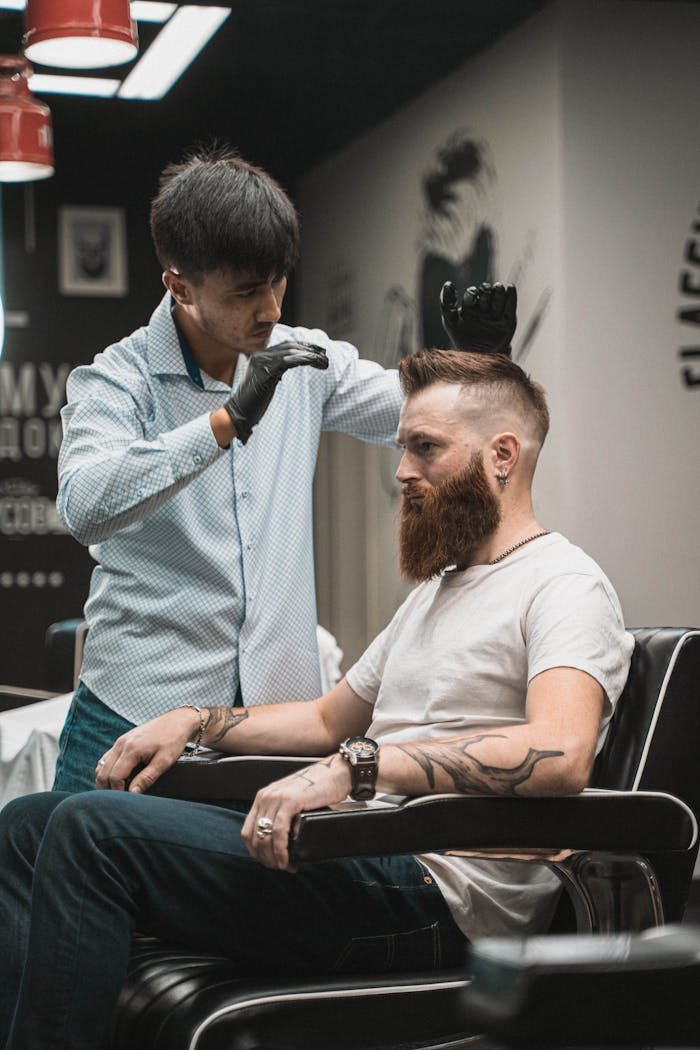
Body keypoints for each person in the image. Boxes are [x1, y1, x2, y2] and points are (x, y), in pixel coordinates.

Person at [0, 349, 633, 1050]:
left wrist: (356, 767)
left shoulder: (563, 584)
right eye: (403, 447)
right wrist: (196, 720)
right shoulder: (438, 591)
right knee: (26, 824)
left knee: (92, 831)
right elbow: (328, 717)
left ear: (503, 456)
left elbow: (561, 751)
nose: (402, 470)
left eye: (426, 448)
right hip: (362, 854)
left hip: (438, 896)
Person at [53, 144, 515, 792]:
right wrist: (225, 422)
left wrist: (484, 365)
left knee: (264, 867)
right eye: (246, 290)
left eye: (278, 281)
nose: (270, 308)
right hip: (133, 709)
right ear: (179, 287)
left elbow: (419, 415)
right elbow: (84, 506)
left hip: (270, 723)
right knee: (65, 857)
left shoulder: (303, 360)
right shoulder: (118, 380)